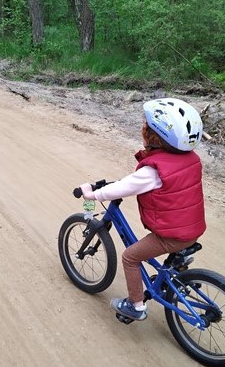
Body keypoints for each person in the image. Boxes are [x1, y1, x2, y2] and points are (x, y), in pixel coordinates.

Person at [79, 98, 206, 321]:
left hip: (171, 236)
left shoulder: (153, 172)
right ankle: (176, 269)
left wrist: (92, 194)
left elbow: (125, 187)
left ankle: (135, 306)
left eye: (145, 125)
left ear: (152, 135)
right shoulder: (190, 159)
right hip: (192, 228)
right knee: (159, 254)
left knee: (130, 257)